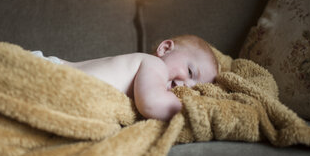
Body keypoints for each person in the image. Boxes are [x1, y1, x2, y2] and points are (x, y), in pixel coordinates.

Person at [32, 35, 218, 121]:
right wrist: (197, 109)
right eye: (191, 73)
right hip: (48, 73)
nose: (187, 86)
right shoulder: (155, 65)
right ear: (165, 49)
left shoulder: (143, 77)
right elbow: (152, 103)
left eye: (195, 88)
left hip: (55, 71)